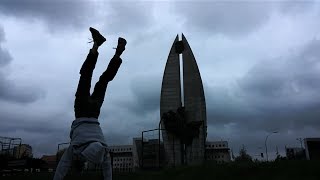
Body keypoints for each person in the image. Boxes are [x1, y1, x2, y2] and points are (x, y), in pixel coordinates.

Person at [53, 27, 127, 180]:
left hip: (95, 113)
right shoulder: (77, 148)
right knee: (86, 76)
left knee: (104, 80)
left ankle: (118, 53)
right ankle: (96, 45)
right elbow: (63, 165)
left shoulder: (103, 148)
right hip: (81, 112)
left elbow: (107, 170)